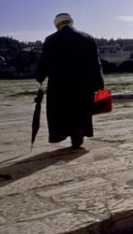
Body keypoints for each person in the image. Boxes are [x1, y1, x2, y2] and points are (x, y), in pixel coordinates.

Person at [36, 13, 104, 148]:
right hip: (83, 84)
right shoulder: (87, 38)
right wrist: (99, 83)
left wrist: (40, 77)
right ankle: (77, 136)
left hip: (59, 85)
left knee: (63, 112)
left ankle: (65, 133)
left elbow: (44, 62)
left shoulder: (51, 40)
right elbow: (96, 63)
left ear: (57, 25)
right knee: (80, 111)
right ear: (71, 23)